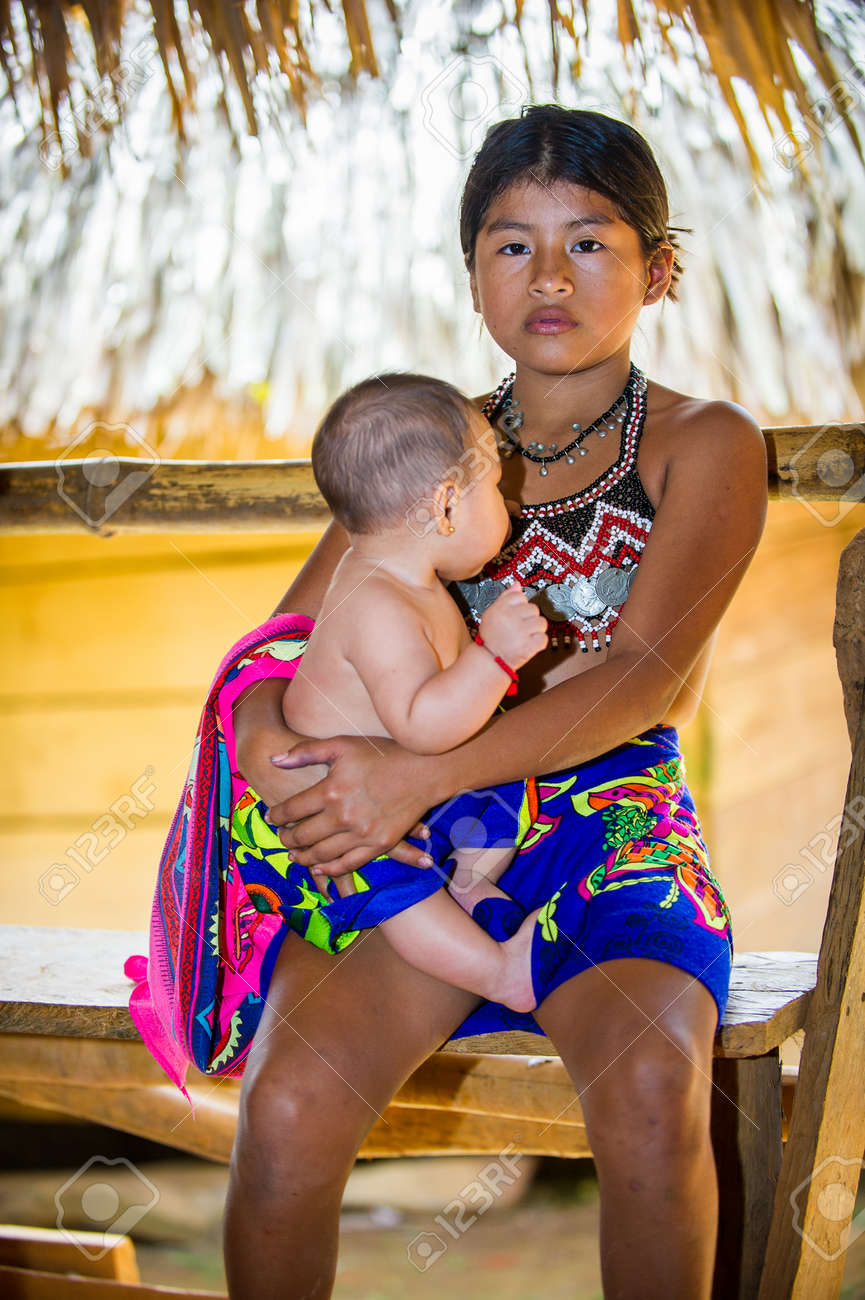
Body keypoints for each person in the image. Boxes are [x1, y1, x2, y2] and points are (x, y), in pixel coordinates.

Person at [223, 104, 768, 1300]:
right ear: (472, 275)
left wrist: (413, 772)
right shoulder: (418, 450)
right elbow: (284, 642)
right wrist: (261, 737)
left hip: (605, 822)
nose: (549, 276)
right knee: (290, 1105)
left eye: (589, 242)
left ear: (658, 271)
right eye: (512, 245)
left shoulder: (707, 443)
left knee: (649, 1090)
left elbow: (646, 675)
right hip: (416, 844)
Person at [278, 369, 549, 1012]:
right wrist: (495, 657)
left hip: (406, 784)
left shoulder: (403, 578)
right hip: (338, 818)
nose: (508, 507)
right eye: (495, 489)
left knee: (506, 789)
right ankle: (499, 976)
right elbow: (422, 726)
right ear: (446, 505)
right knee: (395, 887)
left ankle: (468, 885)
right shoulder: (377, 604)